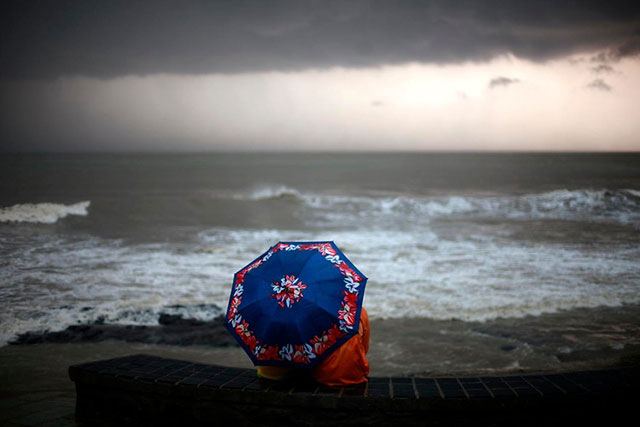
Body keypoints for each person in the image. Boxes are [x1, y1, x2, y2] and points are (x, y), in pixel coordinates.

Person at [257, 307, 370, 386]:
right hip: (355, 376)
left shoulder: (272, 313)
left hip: (267, 373)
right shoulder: (359, 310)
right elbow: (365, 348)